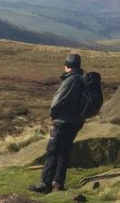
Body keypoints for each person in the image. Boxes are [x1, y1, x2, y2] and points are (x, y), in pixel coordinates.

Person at [30, 53, 89, 194]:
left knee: (52, 151)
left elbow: (57, 101)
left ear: (66, 66)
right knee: (65, 151)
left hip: (64, 122)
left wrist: (52, 115)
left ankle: (45, 184)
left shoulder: (70, 81)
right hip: (77, 122)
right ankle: (58, 182)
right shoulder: (84, 79)